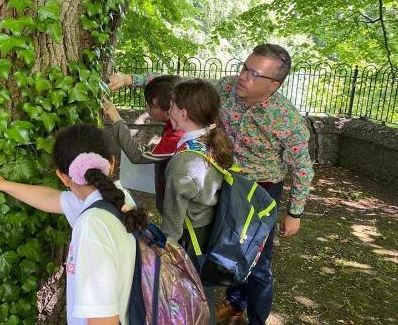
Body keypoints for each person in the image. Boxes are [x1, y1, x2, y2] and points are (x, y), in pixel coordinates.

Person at [108, 44, 315, 325]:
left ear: (274, 85)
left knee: (257, 261)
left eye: (254, 74)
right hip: (220, 180)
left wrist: (295, 213)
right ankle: (233, 301)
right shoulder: (225, 88)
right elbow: (181, 88)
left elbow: (302, 167)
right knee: (221, 246)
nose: (243, 77)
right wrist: (131, 79)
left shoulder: (287, 119)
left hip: (258, 191)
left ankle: (256, 318)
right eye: (245, 67)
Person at [0, 124, 148, 325]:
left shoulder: (92, 226)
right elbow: (51, 199)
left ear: (62, 176)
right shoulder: (119, 202)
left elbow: (103, 320)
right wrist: (1, 184)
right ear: (112, 163)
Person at [162, 78, 234, 325]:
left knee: (190, 298)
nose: (168, 111)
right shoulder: (214, 143)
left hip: (190, 239)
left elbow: (172, 223)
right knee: (204, 293)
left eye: (171, 106)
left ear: (182, 113)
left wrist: (164, 252)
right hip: (211, 231)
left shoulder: (183, 162)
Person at [103, 75, 184, 214]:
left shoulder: (177, 137)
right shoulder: (180, 120)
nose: (147, 109)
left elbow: (137, 155)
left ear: (169, 112)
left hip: (177, 215)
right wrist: (126, 79)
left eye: (152, 106)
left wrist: (116, 118)